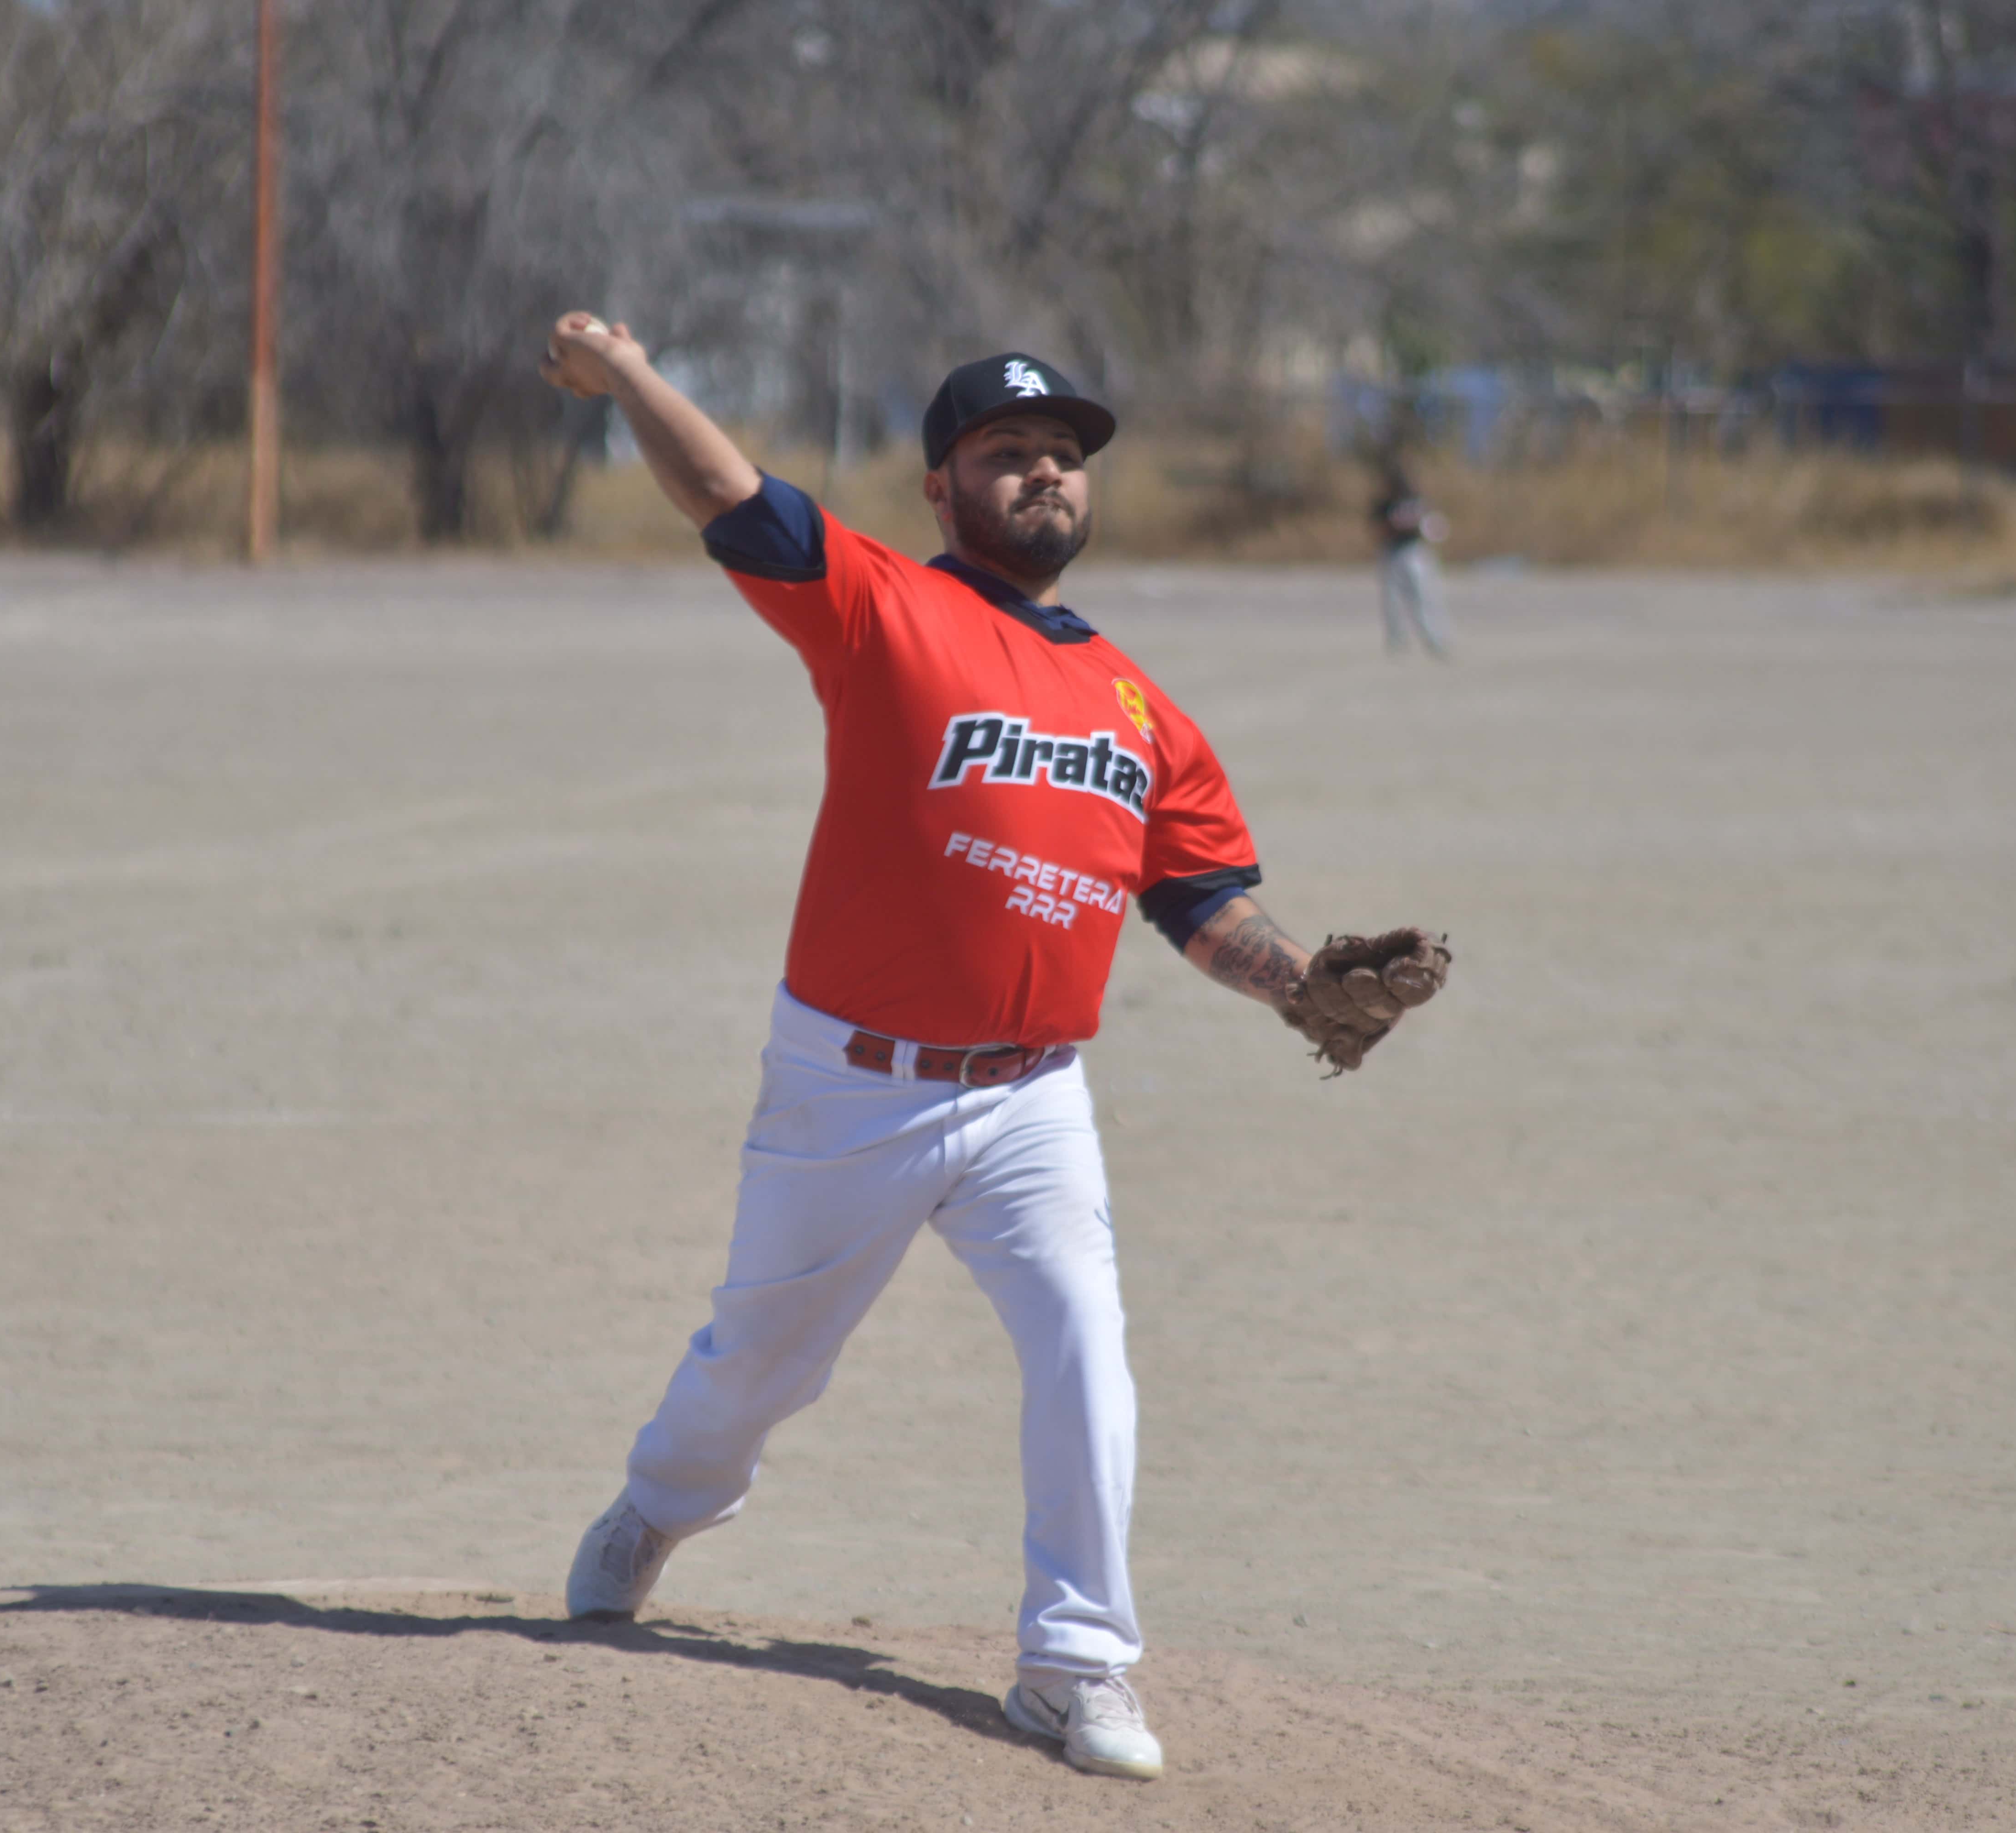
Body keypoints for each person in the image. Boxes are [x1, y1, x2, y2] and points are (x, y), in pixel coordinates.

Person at [537, 314, 1446, 1781]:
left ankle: (1075, 1663)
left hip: (1033, 1094)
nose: (1044, 474)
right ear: (942, 489)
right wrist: (631, 375)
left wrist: (1301, 985)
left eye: (1063, 456)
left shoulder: (1140, 708)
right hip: (852, 1082)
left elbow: (1202, 904)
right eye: (1005, 452)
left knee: (1087, 1348)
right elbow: (728, 494)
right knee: (758, 1363)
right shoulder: (878, 606)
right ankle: (660, 1504)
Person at [1373, 466, 1454, 657]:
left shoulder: (1417, 502)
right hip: (1392, 552)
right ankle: (1397, 642)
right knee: (1392, 600)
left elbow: (1434, 526)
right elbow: (1378, 528)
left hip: (1414, 551)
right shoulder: (1386, 504)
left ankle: (1436, 638)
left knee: (1424, 596)